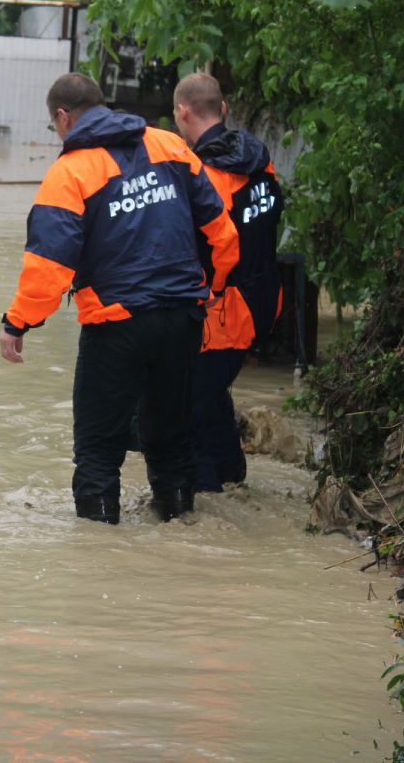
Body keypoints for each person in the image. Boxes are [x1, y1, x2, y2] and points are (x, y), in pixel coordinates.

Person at [0, 73, 239, 524]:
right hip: (182, 318)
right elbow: (221, 230)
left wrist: (17, 323)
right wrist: (213, 290)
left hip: (116, 328)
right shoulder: (170, 146)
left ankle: (99, 562)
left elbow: (49, 268)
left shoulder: (69, 173)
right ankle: (180, 531)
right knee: (171, 442)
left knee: (97, 451)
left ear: (63, 117)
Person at [172, 72, 284, 492]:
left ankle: (205, 504)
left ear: (183, 113)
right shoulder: (259, 158)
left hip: (223, 312)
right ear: (221, 109)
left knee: (187, 411)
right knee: (212, 390)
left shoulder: (204, 174)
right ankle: (232, 474)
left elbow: (213, 251)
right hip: (263, 300)